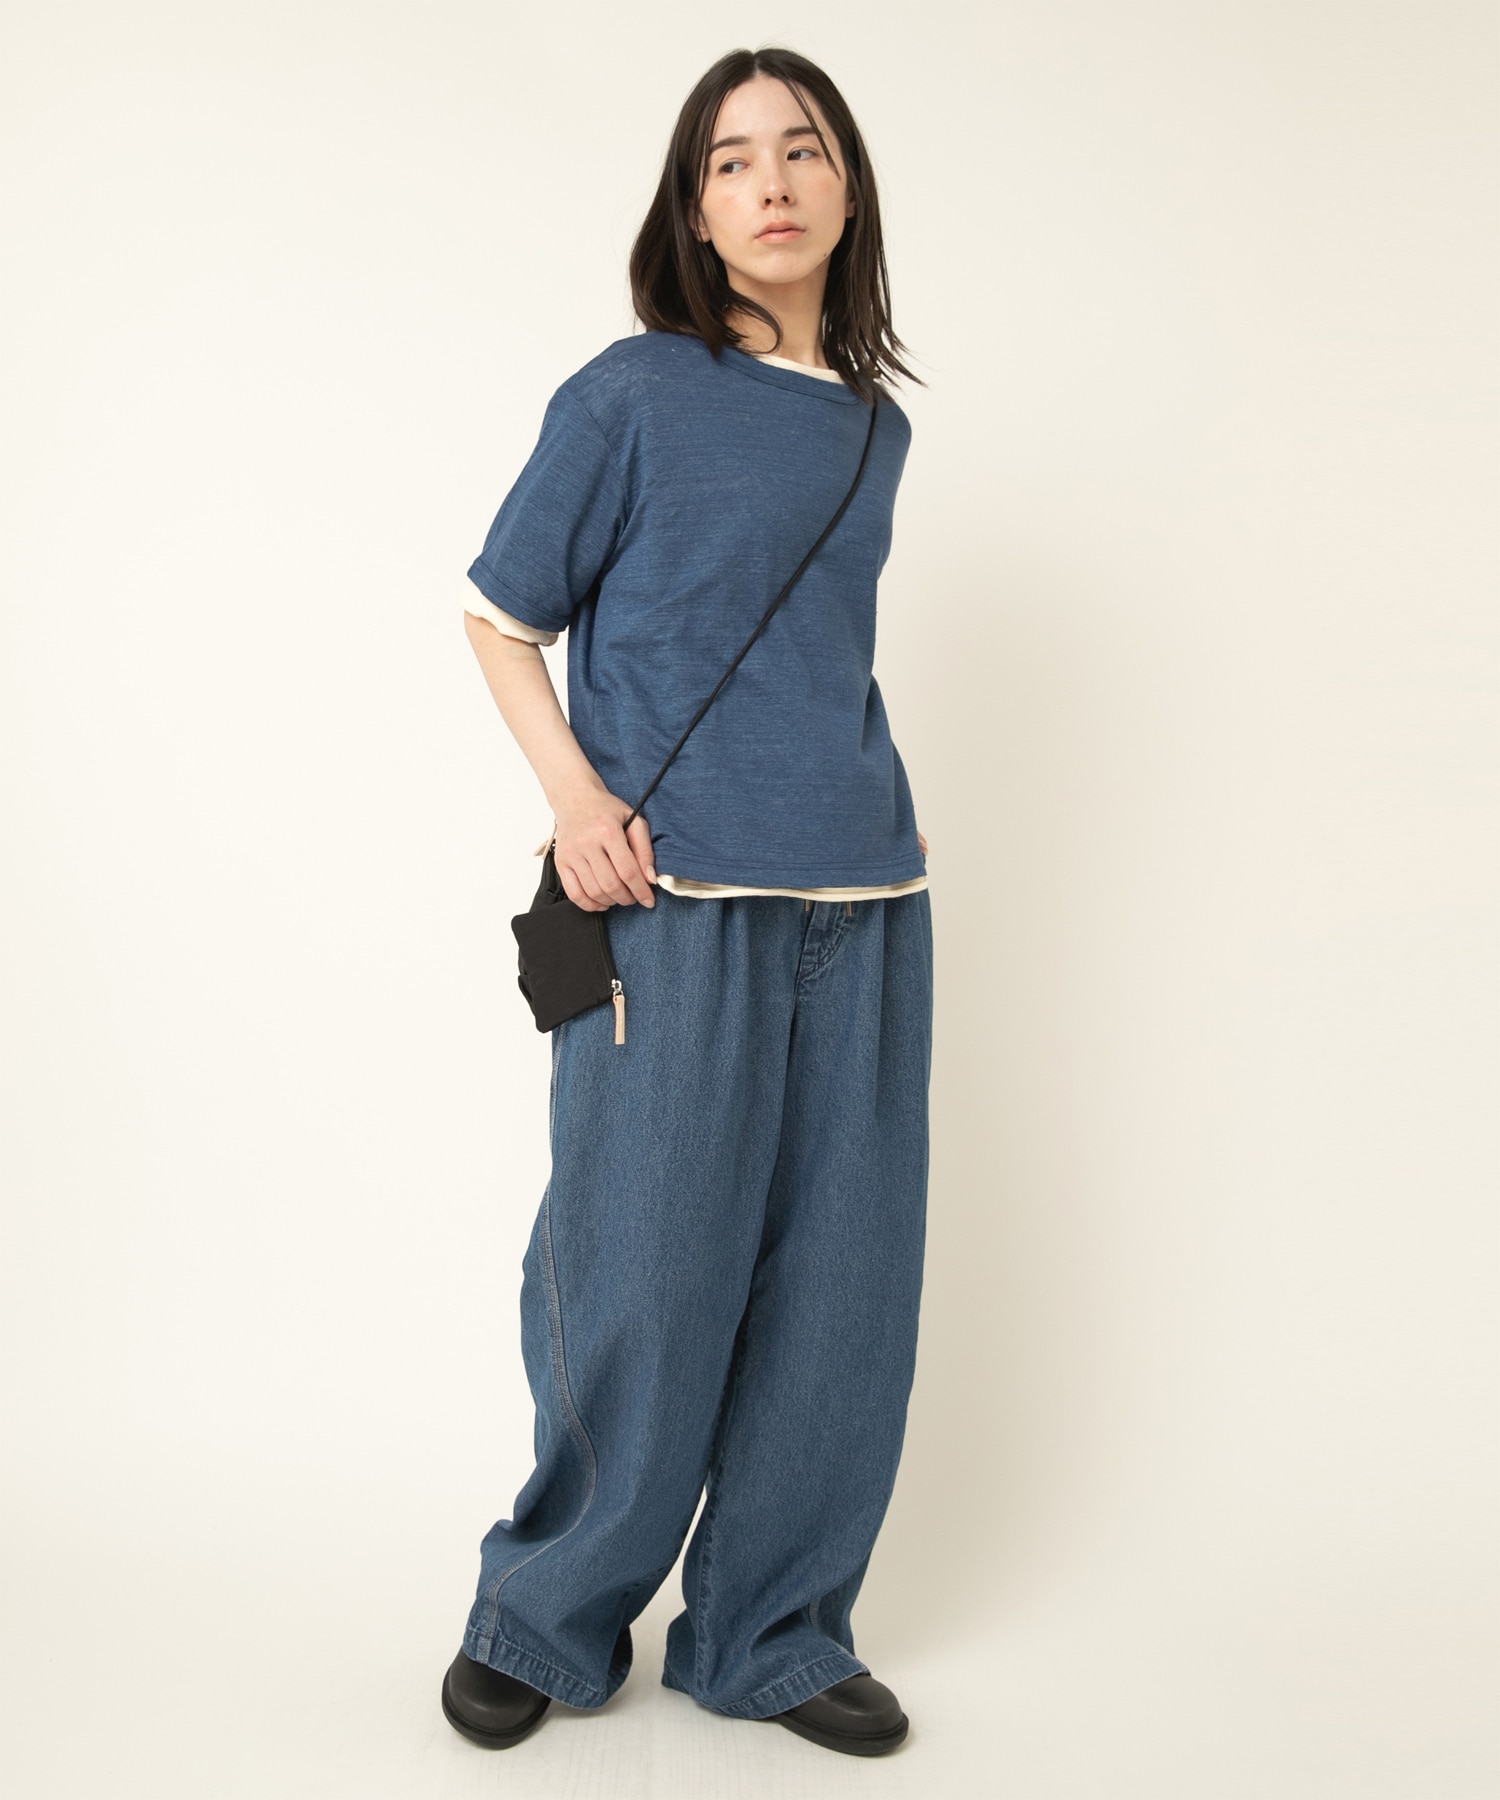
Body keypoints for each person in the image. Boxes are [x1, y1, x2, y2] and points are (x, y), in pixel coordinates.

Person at [440, 45, 935, 1761]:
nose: (771, 183)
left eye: (803, 151)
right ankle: (546, 1613)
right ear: (694, 207)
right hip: (672, 897)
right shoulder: (630, 395)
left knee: (844, 1291)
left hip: (866, 893)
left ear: (848, 188)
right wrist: (577, 803)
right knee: (640, 1270)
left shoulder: (875, 430)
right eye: (731, 161)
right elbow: (501, 615)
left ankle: (770, 1631)